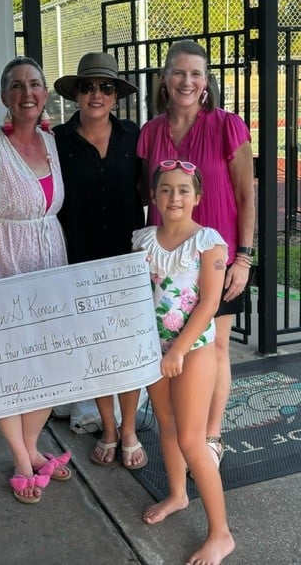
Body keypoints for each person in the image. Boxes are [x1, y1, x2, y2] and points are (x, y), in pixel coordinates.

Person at [137, 40, 255, 470]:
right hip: (166, 262)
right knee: (172, 344)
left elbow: (245, 193)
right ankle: (180, 434)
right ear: (165, 80)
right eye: (178, 72)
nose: (187, 81)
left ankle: (210, 435)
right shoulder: (150, 132)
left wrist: (244, 256)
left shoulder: (227, 126)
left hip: (216, 259)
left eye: (196, 73)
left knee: (215, 346)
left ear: (206, 83)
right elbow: (144, 193)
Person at [0, 56, 71, 505]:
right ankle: (22, 458)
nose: (27, 92)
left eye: (35, 84)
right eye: (17, 86)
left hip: (51, 258)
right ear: (4, 97)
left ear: (45, 94)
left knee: (50, 362)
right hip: (8, 261)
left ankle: (32, 444)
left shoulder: (51, 141)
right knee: (11, 365)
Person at [132, 159, 235, 565]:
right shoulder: (142, 241)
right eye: (166, 189)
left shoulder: (208, 242)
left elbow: (210, 303)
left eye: (183, 190)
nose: (174, 197)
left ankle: (221, 533)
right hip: (154, 349)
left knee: (193, 439)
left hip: (192, 350)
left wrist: (177, 350)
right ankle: (177, 493)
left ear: (198, 196)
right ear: (154, 196)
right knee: (167, 426)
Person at [53, 52, 147, 469]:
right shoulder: (55, 141)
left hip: (128, 260)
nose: (97, 94)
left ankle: (128, 429)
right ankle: (107, 427)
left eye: (106, 87)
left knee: (126, 348)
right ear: (76, 93)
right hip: (82, 260)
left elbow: (154, 189)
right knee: (96, 348)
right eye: (88, 86)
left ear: (115, 95)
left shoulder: (134, 136)